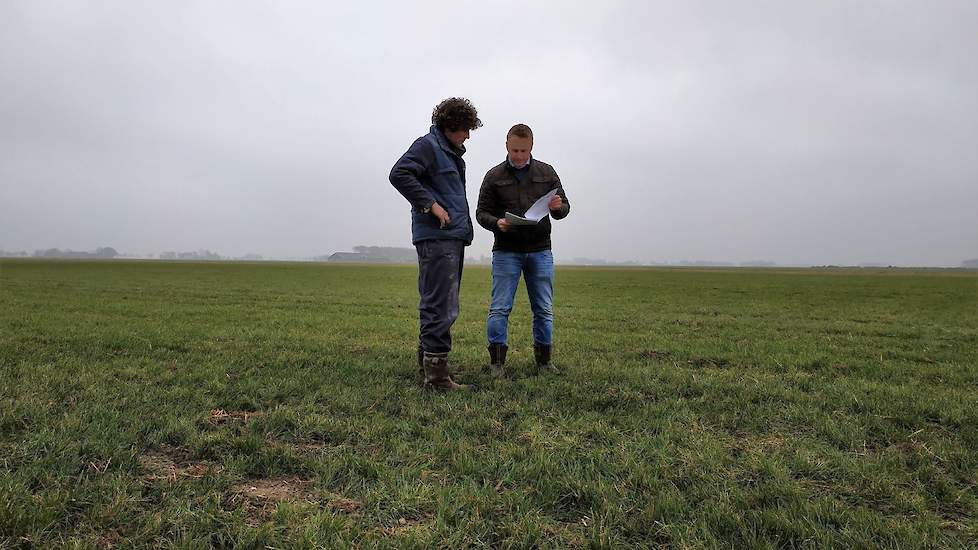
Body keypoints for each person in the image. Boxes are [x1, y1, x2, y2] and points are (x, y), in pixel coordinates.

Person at [389, 97, 482, 391]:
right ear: (450, 125)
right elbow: (399, 174)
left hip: (451, 237)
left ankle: (429, 367)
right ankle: (437, 378)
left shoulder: (449, 152)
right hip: (437, 238)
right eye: (465, 128)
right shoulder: (428, 146)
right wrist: (431, 205)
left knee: (440, 303)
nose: (468, 135)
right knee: (440, 305)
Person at [475, 124, 570, 377]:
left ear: (531, 147)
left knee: (543, 308)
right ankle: (496, 364)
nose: (518, 155)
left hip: (540, 250)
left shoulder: (547, 172)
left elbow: (563, 209)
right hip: (506, 250)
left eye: (523, 150)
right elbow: (481, 213)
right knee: (500, 308)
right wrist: (497, 223)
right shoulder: (493, 176)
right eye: (515, 149)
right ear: (506, 146)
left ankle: (545, 363)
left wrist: (559, 207)